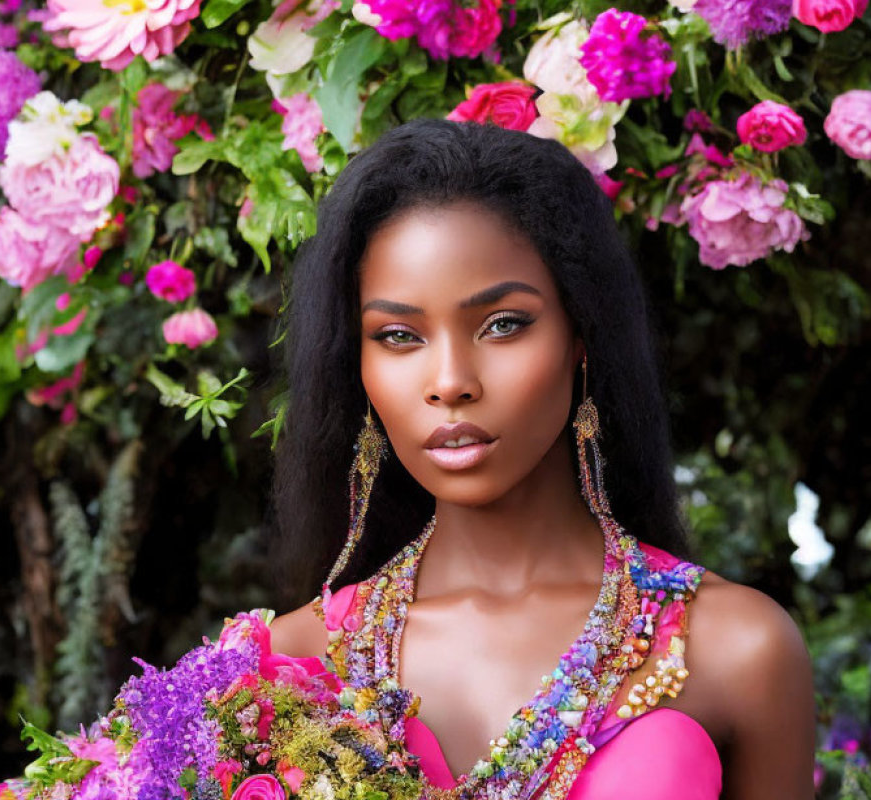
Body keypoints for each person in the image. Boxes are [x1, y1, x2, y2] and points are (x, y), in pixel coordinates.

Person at [269, 118, 816, 799]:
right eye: (399, 335)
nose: (450, 381)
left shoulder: (738, 649)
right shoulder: (288, 665)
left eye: (503, 325)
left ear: (580, 333)